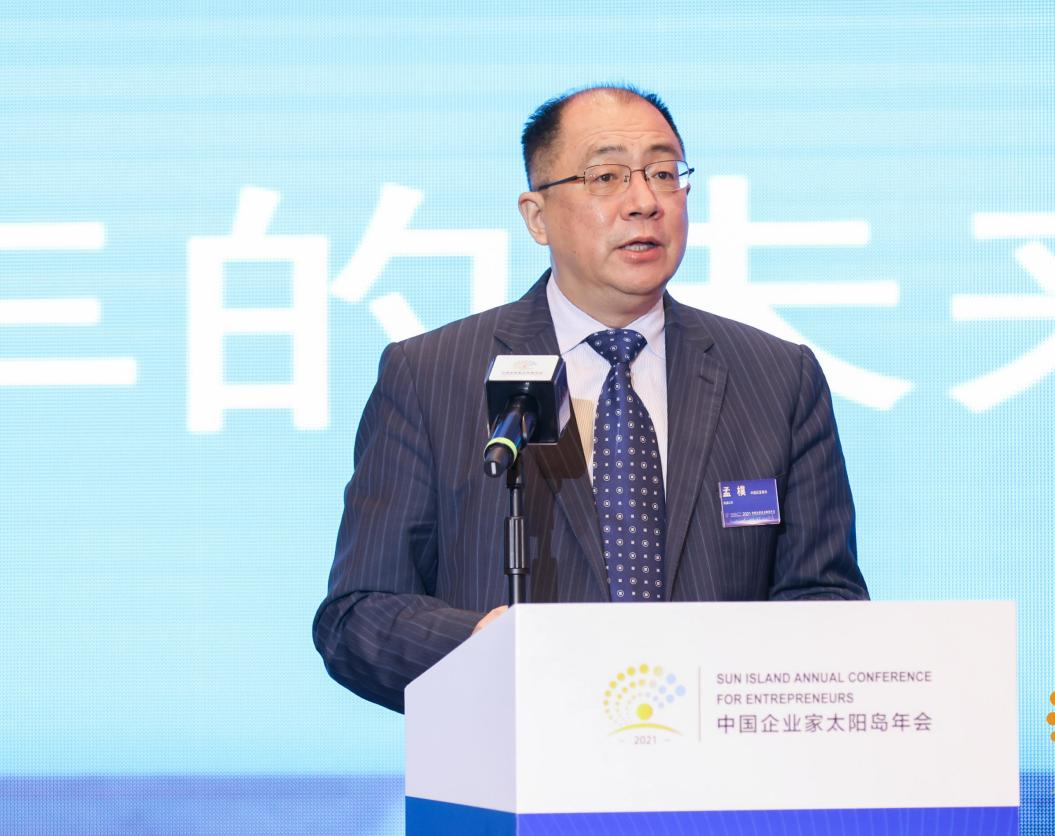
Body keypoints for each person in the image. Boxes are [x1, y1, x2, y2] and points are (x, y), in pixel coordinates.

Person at [313, 85, 867, 712]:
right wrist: (476, 647)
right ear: (537, 216)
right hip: (519, 753)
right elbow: (356, 616)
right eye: (606, 177)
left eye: (664, 173)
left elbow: (827, 600)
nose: (645, 202)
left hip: (721, 756)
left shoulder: (777, 377)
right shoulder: (432, 374)